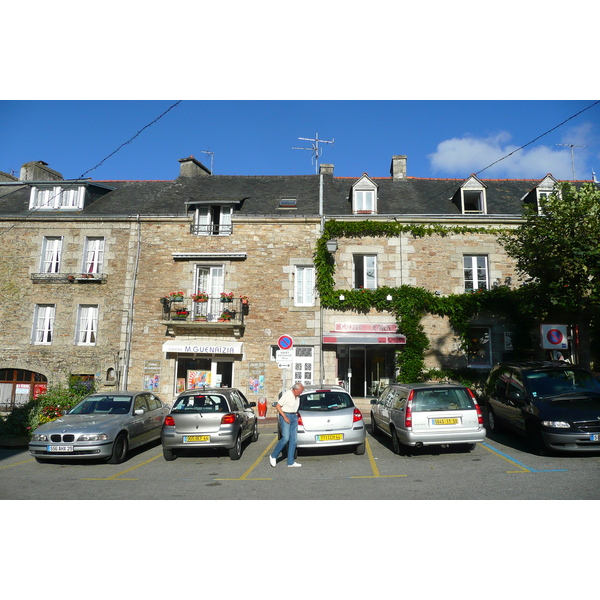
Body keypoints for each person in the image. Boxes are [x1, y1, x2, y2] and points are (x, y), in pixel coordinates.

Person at [269, 382, 304, 468]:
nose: (301, 393)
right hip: (286, 415)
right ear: (295, 390)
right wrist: (284, 416)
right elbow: (278, 406)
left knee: (294, 440)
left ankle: (290, 462)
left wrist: (295, 414)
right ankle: (273, 456)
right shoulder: (287, 394)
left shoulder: (297, 396)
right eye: (300, 391)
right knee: (285, 438)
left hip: (294, 416)